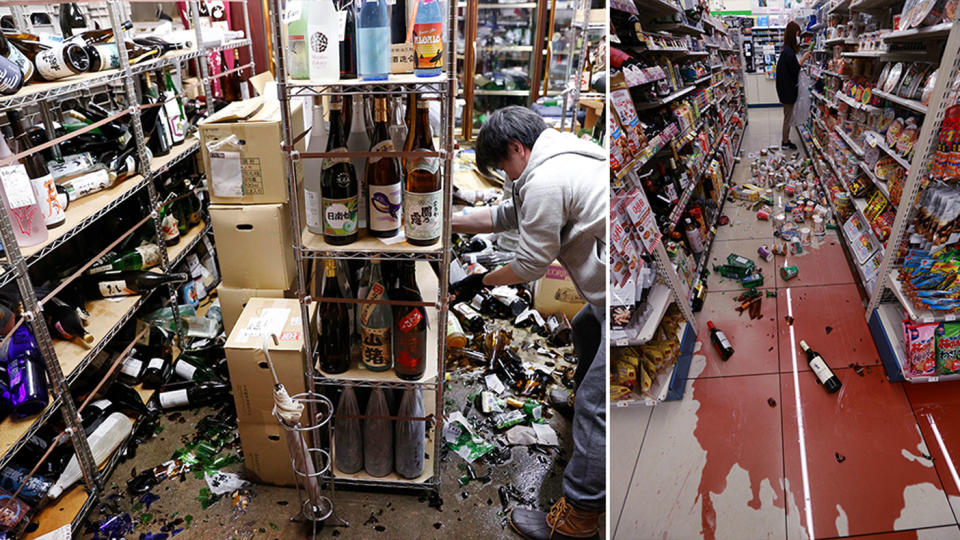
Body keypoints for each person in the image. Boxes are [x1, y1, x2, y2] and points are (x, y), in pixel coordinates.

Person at [450, 106, 605, 540]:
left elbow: (531, 264)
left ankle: (578, 519)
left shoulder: (544, 179)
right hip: (610, 287)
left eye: (502, 164)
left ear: (518, 148)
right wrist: (450, 220)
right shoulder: (563, 151)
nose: (504, 174)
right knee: (586, 327)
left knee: (598, 404)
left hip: (623, 290)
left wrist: (480, 281)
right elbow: (504, 217)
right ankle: (582, 400)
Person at [776, 21, 813, 150]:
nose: (799, 37)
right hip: (787, 91)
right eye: (797, 34)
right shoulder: (789, 52)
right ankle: (785, 142)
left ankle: (785, 140)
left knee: (787, 116)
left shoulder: (786, 50)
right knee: (787, 118)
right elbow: (794, 69)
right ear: (793, 35)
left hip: (784, 90)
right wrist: (803, 59)